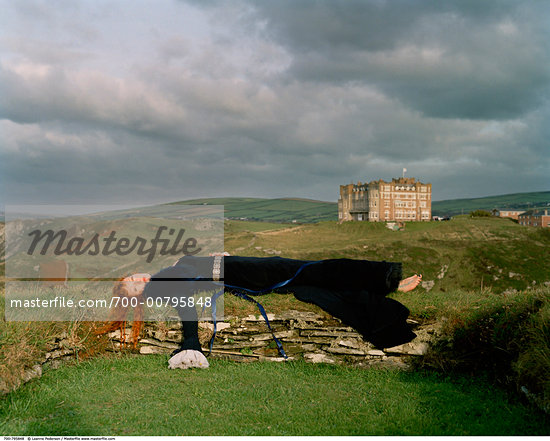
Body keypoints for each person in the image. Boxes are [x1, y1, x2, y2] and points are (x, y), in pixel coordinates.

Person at [143, 255, 422, 368]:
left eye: (130, 277)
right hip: (246, 273)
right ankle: (387, 279)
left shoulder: (162, 274)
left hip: (243, 267)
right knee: (317, 270)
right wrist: (191, 341)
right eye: (131, 285)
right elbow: (185, 305)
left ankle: (383, 287)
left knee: (316, 277)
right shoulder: (158, 284)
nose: (135, 279)